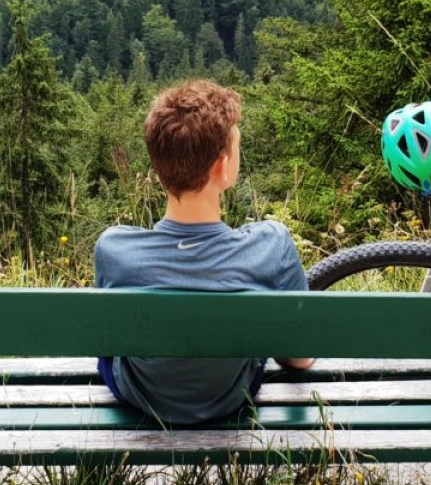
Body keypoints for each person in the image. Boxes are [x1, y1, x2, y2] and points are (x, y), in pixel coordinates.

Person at [94, 79, 313, 426]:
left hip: (142, 397)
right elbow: (299, 358)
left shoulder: (114, 249)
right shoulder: (270, 245)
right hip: (228, 397)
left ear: (158, 164)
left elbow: (109, 337)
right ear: (221, 167)